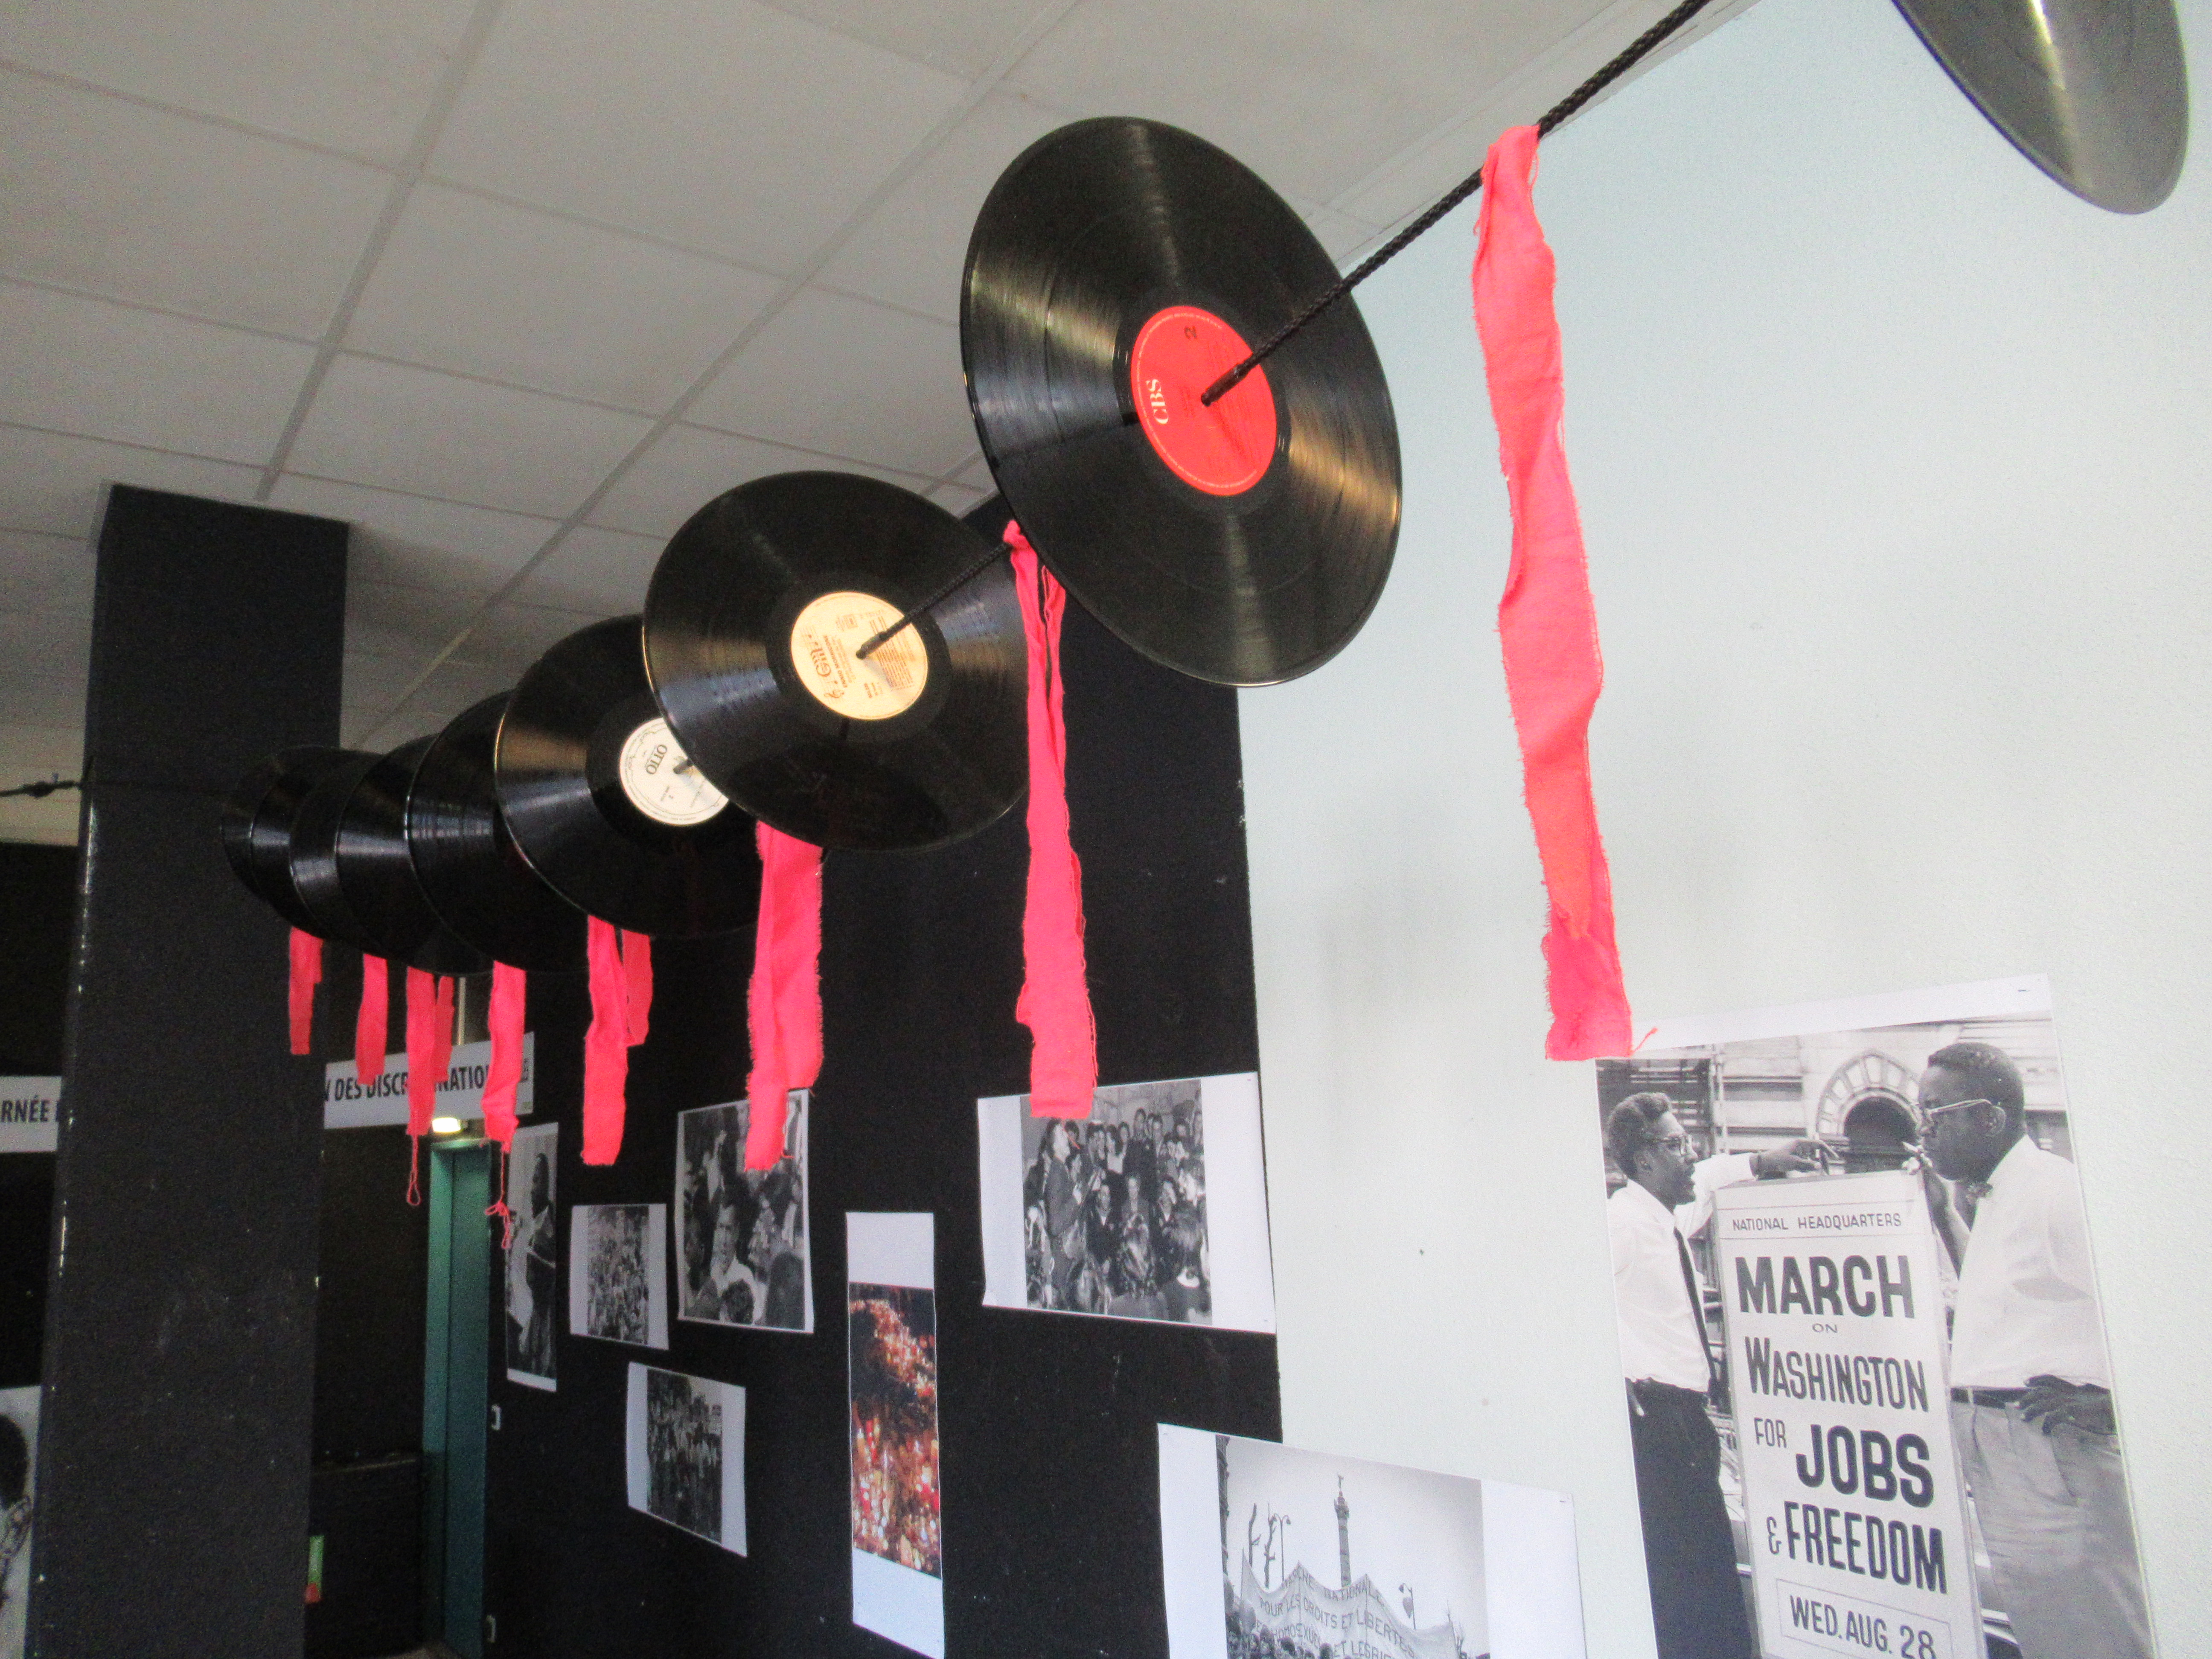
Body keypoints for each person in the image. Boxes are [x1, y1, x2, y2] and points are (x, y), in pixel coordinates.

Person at [1915, 1041, 2149, 1659]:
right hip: (2004, 1451)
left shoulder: (2056, 1192)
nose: (1924, 1130)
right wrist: (1944, 1220)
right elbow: (2007, 1302)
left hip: (2049, 1454)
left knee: (2099, 1638)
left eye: (1936, 1113)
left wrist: (2118, 1405)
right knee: (2050, 1638)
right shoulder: (1996, 1194)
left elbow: (2169, 1307)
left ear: (1989, 1118)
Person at [1606, 1093, 1819, 1659]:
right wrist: (1617, 1376)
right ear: (1645, 1159)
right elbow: (1565, 1297)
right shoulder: (1621, 1223)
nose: (1691, 1155)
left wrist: (1763, 1162)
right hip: (1657, 1425)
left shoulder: (1665, 1216)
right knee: (1689, 1585)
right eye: (1677, 1145)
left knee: (1705, 1577)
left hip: (1685, 1424)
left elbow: (1709, 1179)